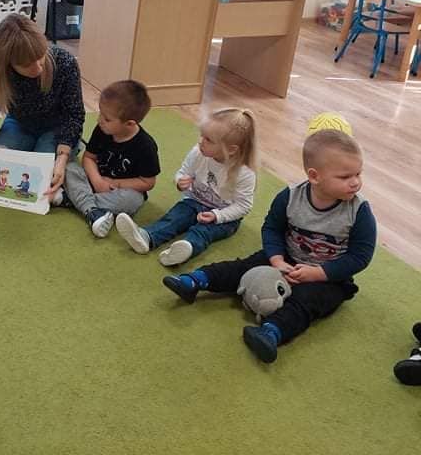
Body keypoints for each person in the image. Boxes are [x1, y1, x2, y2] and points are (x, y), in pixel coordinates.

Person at [162, 129, 376, 364]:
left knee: (307, 301)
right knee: (242, 267)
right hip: (285, 258)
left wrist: (318, 273)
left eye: (358, 174)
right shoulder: (290, 197)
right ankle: (196, 280)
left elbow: (360, 256)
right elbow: (272, 228)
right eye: (345, 177)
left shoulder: (359, 211)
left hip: (330, 276)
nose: (356, 182)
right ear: (314, 176)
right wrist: (276, 259)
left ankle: (271, 332)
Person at [0, 14, 85, 204]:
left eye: (40, 57)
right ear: (8, 63)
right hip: (19, 124)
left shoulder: (65, 62)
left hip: (57, 127)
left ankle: (71, 148)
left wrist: (62, 157)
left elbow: (74, 114)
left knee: (42, 179)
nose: (38, 68)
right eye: (27, 64)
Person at [115, 108, 256, 266]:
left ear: (231, 149)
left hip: (224, 216)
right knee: (175, 218)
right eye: (202, 135)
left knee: (203, 231)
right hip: (194, 202)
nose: (201, 141)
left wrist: (217, 215)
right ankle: (147, 237)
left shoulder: (245, 173)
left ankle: (185, 249)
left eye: (209, 140)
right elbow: (183, 172)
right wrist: (180, 181)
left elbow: (243, 206)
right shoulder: (198, 152)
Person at [64, 80, 160, 238]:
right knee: (70, 167)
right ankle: (92, 211)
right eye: (100, 113)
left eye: (107, 119)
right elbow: (89, 158)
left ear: (129, 124)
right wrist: (97, 181)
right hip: (93, 180)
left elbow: (147, 182)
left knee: (131, 201)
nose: (99, 120)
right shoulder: (102, 129)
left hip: (118, 191)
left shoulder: (146, 146)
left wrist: (115, 183)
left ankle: (70, 200)